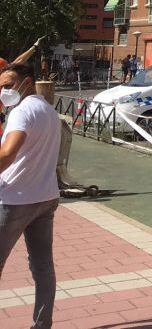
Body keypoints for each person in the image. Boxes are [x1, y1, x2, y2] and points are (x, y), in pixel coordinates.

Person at [0, 63, 62, 329]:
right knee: (43, 267)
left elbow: (8, 153)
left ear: (27, 82)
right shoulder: (49, 111)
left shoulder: (22, 112)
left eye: (8, 85)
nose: (3, 91)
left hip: (15, 200)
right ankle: (42, 325)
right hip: (46, 197)